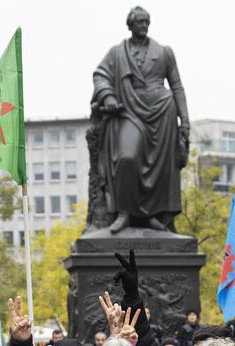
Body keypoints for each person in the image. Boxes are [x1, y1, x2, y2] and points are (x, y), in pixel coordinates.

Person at [91, 5, 189, 232]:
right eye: (139, 22)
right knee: (126, 157)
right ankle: (124, 212)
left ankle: (152, 215)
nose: (143, 26)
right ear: (130, 25)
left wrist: (185, 122)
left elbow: (176, 86)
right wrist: (108, 96)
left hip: (161, 113)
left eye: (146, 22)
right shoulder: (117, 52)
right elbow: (100, 75)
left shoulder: (164, 52)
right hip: (128, 113)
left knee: (160, 167)